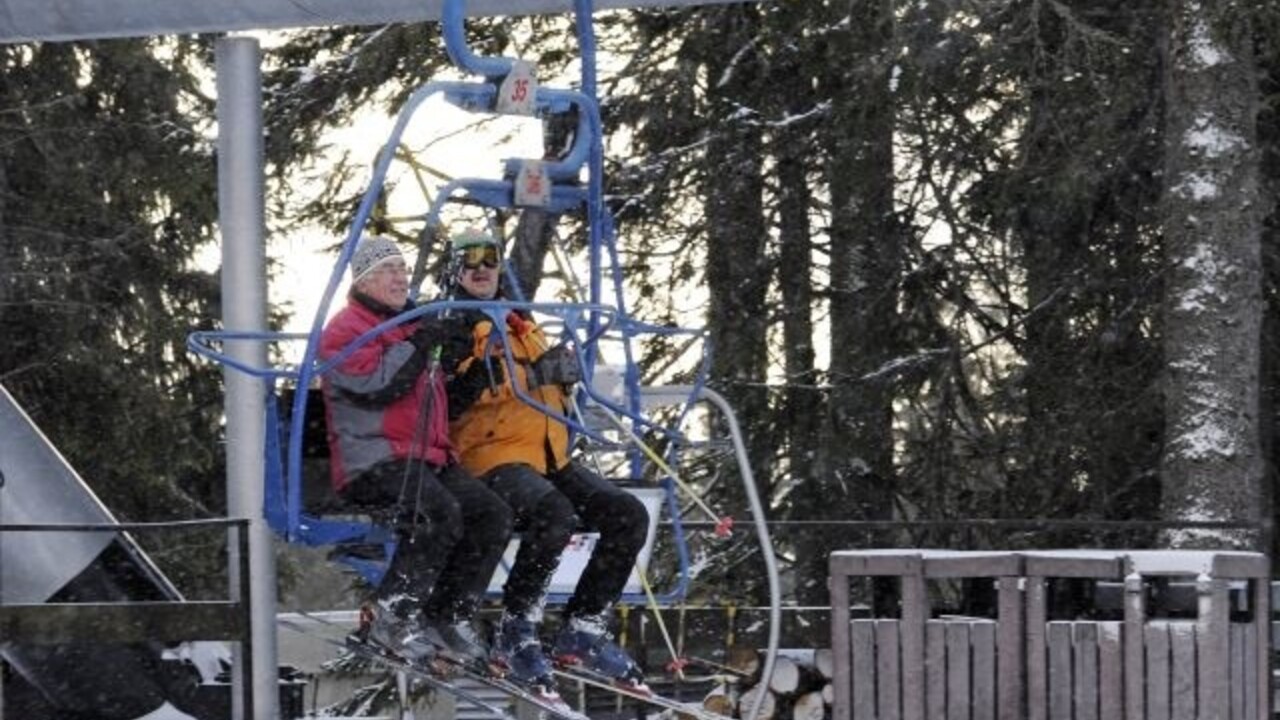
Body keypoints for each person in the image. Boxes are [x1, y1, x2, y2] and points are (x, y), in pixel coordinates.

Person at [441, 227, 651, 692]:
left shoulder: (522, 323)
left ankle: (584, 624)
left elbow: (541, 385)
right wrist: (502, 374)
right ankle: (518, 627)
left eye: (489, 260)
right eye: (469, 262)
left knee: (626, 514)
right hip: (490, 455)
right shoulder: (451, 325)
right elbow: (445, 400)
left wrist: (563, 377)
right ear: (454, 270)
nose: (481, 270)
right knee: (553, 514)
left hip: (547, 453)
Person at [319, 235, 513, 667]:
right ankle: (391, 609)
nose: (400, 277)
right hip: (374, 458)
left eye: (403, 269)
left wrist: (469, 373)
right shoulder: (344, 330)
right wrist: (422, 344)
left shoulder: (410, 325)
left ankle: (448, 612)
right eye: (389, 269)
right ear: (365, 278)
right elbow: (377, 386)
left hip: (426, 453)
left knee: (492, 514)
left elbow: (435, 394)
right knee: (438, 513)